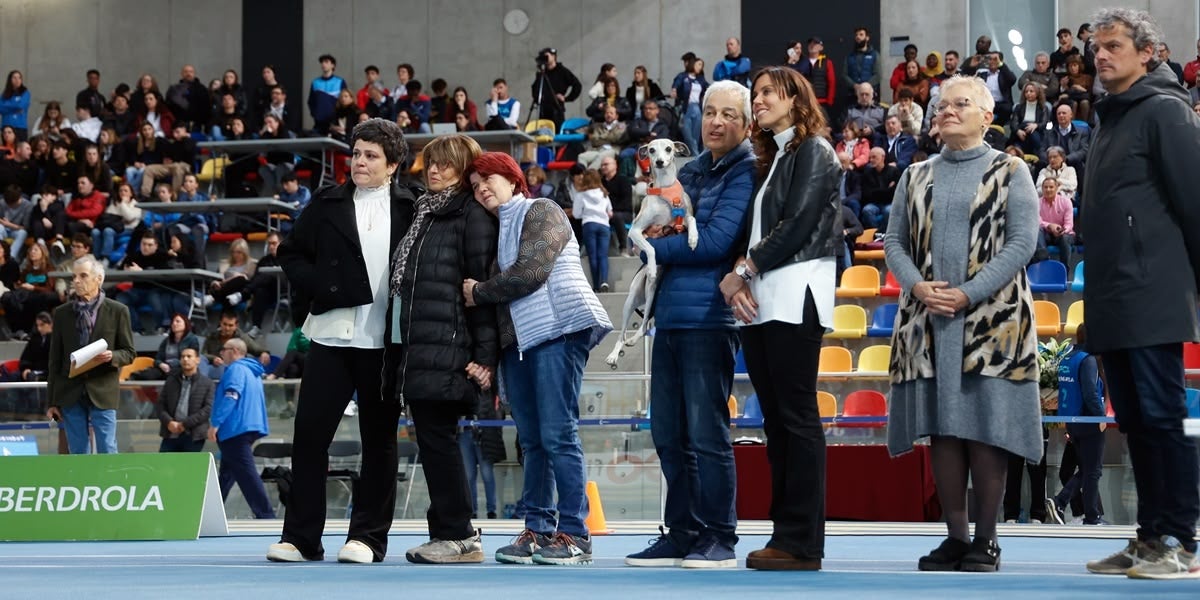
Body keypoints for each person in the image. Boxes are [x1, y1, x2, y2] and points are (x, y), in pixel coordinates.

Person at [883, 75, 1040, 572]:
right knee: (944, 430)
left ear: (987, 117)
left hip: (994, 321)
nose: (947, 110)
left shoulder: (1012, 170)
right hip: (928, 319)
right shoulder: (915, 175)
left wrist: (968, 292)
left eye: (961, 103)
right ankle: (955, 537)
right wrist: (918, 287)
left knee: (985, 427)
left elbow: (1023, 243)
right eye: (942, 105)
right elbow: (894, 243)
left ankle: (987, 539)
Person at [1078, 8, 1200, 579]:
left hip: (1152, 291)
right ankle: (1150, 537)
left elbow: (1194, 204)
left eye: (1113, 46)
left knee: (1161, 417)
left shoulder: (1166, 111)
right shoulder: (1111, 117)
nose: (1101, 55)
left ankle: (1179, 541)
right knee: (1135, 421)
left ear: (1148, 52)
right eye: (1096, 48)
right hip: (1113, 295)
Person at [621, 80, 755, 569]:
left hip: (709, 319)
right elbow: (652, 235)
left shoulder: (745, 169)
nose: (716, 121)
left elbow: (715, 242)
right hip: (669, 317)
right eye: (710, 112)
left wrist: (654, 247)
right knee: (668, 434)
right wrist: (655, 244)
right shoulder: (691, 169)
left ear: (746, 124)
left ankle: (719, 536)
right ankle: (682, 532)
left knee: (706, 435)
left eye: (728, 114)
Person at [268, 119, 415, 564]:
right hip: (330, 336)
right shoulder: (326, 202)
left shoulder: (412, 207)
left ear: (393, 164)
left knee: (380, 442)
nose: (359, 162)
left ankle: (367, 538)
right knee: (309, 437)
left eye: (371, 155)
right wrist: (321, 289)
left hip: (384, 343)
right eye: (356, 154)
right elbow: (290, 253)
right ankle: (300, 538)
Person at [460, 151, 609, 564]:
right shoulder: (497, 230)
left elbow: (531, 271)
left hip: (558, 331)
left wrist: (479, 291)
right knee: (532, 441)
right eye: (475, 186)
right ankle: (538, 529)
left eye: (488, 179)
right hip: (520, 343)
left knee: (558, 434)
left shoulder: (542, 209)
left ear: (513, 179)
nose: (481, 189)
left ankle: (575, 534)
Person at [718, 66, 839, 571]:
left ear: (795, 99)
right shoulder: (775, 158)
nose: (759, 100)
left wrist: (742, 271)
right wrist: (743, 274)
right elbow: (759, 232)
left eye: (769, 92)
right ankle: (785, 534)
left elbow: (799, 225)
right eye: (757, 93)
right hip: (765, 296)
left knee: (796, 418)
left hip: (796, 291)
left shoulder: (815, 150)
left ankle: (802, 541)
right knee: (777, 421)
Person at [386, 134, 497, 565]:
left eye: (445, 164)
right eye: (430, 162)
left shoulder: (470, 214)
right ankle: (449, 532)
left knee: (439, 441)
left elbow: (480, 289)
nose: (434, 170)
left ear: (464, 168)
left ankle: (459, 535)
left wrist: (484, 357)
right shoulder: (425, 212)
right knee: (434, 441)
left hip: (450, 348)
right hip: (419, 346)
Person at [46, 255, 136, 454]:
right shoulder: (61, 313)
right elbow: (54, 360)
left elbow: (129, 353)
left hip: (103, 389)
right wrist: (51, 402)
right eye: (74, 277)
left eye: (83, 276)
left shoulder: (118, 311)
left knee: (107, 448)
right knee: (78, 451)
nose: (76, 281)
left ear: (98, 279)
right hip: (70, 391)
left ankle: (110, 476)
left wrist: (112, 356)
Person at [1047, 323, 1107, 526]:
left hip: (1072, 422)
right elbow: (1090, 393)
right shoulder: (1088, 360)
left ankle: (1081, 511)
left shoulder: (1068, 356)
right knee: (1092, 471)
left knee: (1086, 469)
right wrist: (1101, 418)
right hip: (1089, 421)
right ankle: (1068, 505)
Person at [208, 337, 275, 519]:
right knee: (226, 475)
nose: (221, 353)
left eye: (224, 349)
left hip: (235, 428)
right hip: (250, 425)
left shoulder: (236, 369)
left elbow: (231, 395)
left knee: (246, 474)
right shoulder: (252, 371)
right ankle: (209, 513)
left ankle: (266, 516)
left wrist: (215, 423)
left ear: (235, 351)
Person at [156, 347, 213, 452]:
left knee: (189, 462)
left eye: (189, 356)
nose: (185, 359)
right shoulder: (171, 380)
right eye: (182, 357)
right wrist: (169, 422)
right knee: (164, 462)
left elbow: (208, 409)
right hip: (171, 433)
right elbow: (160, 405)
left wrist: (184, 424)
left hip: (194, 435)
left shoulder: (207, 383)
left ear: (197, 360)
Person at [531, 48, 582, 128]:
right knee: (543, 132)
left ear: (554, 56)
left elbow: (577, 85)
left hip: (556, 110)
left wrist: (567, 98)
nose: (544, 58)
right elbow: (535, 88)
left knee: (557, 131)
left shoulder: (562, 71)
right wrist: (537, 99)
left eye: (546, 56)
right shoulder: (542, 73)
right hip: (543, 109)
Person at [1035, 177, 1074, 264]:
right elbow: (1037, 221)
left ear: (1056, 188)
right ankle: (1043, 261)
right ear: (1042, 189)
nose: (1048, 190)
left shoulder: (1066, 202)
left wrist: (1061, 230)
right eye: (1045, 187)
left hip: (1062, 233)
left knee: (1065, 238)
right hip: (1045, 234)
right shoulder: (1037, 203)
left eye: (1051, 187)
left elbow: (1069, 224)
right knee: (1037, 230)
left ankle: (1065, 269)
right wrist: (1050, 226)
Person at [308, 54, 349, 135]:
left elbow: (345, 101)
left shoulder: (340, 81)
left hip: (335, 121)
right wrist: (315, 114)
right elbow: (311, 101)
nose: (323, 64)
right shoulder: (315, 82)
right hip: (319, 123)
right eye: (322, 62)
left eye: (326, 62)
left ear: (333, 65)